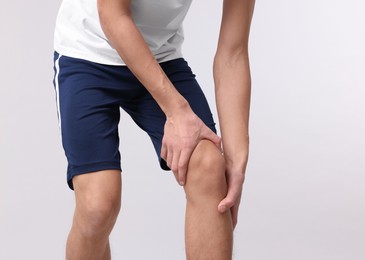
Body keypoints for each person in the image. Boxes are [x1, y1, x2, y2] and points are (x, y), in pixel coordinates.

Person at [52, 0, 255, 259]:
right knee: (98, 207)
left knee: (209, 167)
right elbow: (113, 16)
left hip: (161, 58)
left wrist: (236, 161)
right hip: (87, 54)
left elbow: (233, 54)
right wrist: (176, 111)